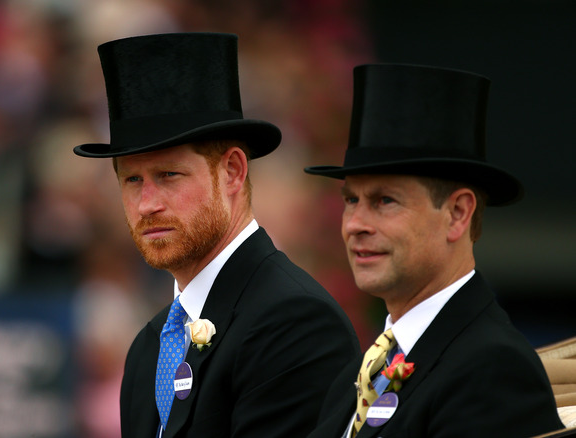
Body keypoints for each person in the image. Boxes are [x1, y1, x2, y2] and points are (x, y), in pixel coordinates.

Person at [73, 32, 359, 438]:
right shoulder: (148, 347)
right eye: (132, 179)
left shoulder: (294, 323)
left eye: (168, 175)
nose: (146, 203)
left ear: (233, 172)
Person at [304, 63, 564, 438]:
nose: (354, 223)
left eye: (385, 201)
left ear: (458, 214)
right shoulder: (361, 372)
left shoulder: (492, 371)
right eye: (350, 199)